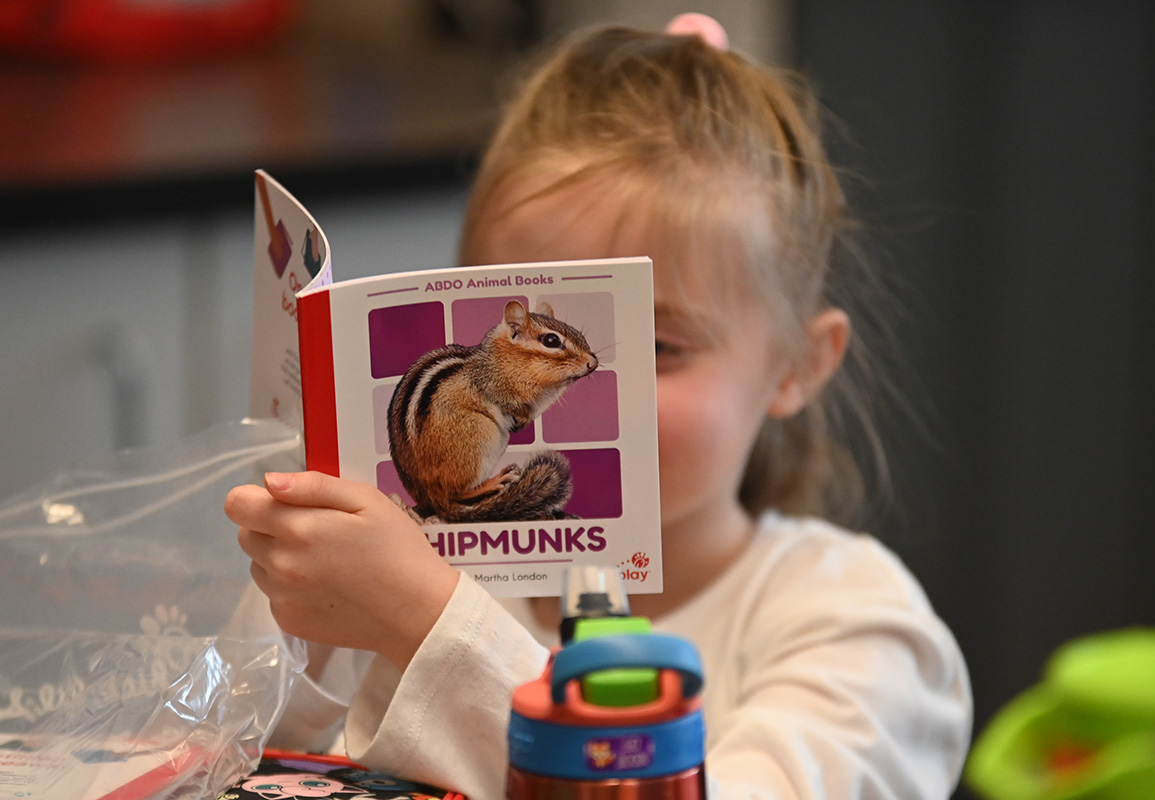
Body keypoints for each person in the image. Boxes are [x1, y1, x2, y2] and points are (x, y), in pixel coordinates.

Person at [224, 14, 972, 800]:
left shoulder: (859, 628)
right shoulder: (434, 558)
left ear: (798, 365)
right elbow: (246, 751)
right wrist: (299, 609)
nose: (594, 391)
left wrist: (428, 623)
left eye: (658, 349)